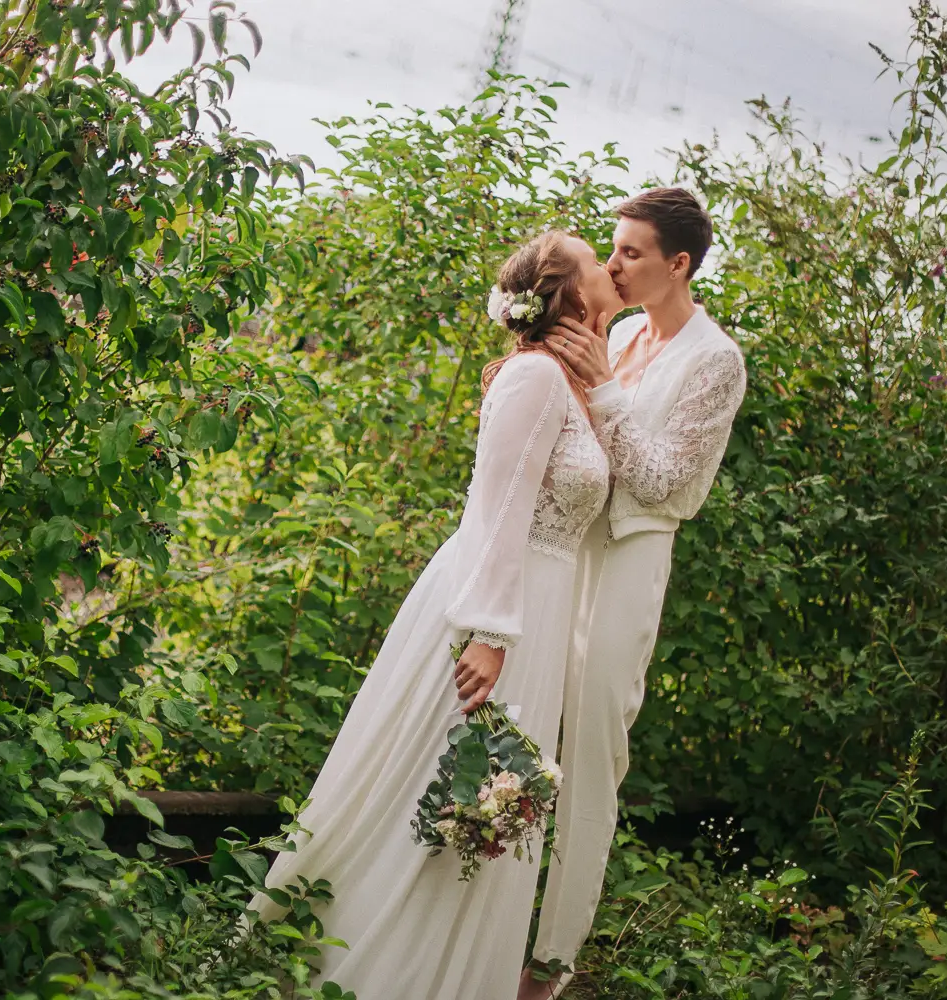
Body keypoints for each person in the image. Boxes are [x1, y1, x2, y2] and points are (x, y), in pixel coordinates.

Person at [243, 229, 622, 1000]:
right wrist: (490, 632)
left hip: (541, 618)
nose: (610, 267)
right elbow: (497, 507)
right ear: (568, 293)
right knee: (448, 792)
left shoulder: (577, 381)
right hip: (497, 614)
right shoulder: (534, 377)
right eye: (595, 260)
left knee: (490, 812)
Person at [519, 187, 747, 999]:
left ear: (678, 264)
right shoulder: (617, 331)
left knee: (592, 757)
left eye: (631, 253)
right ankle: (488, 914)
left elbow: (663, 481)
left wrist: (606, 389)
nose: (613, 265)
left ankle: (550, 964)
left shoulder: (715, 361)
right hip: (570, 548)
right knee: (525, 725)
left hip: (631, 559)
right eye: (612, 249)